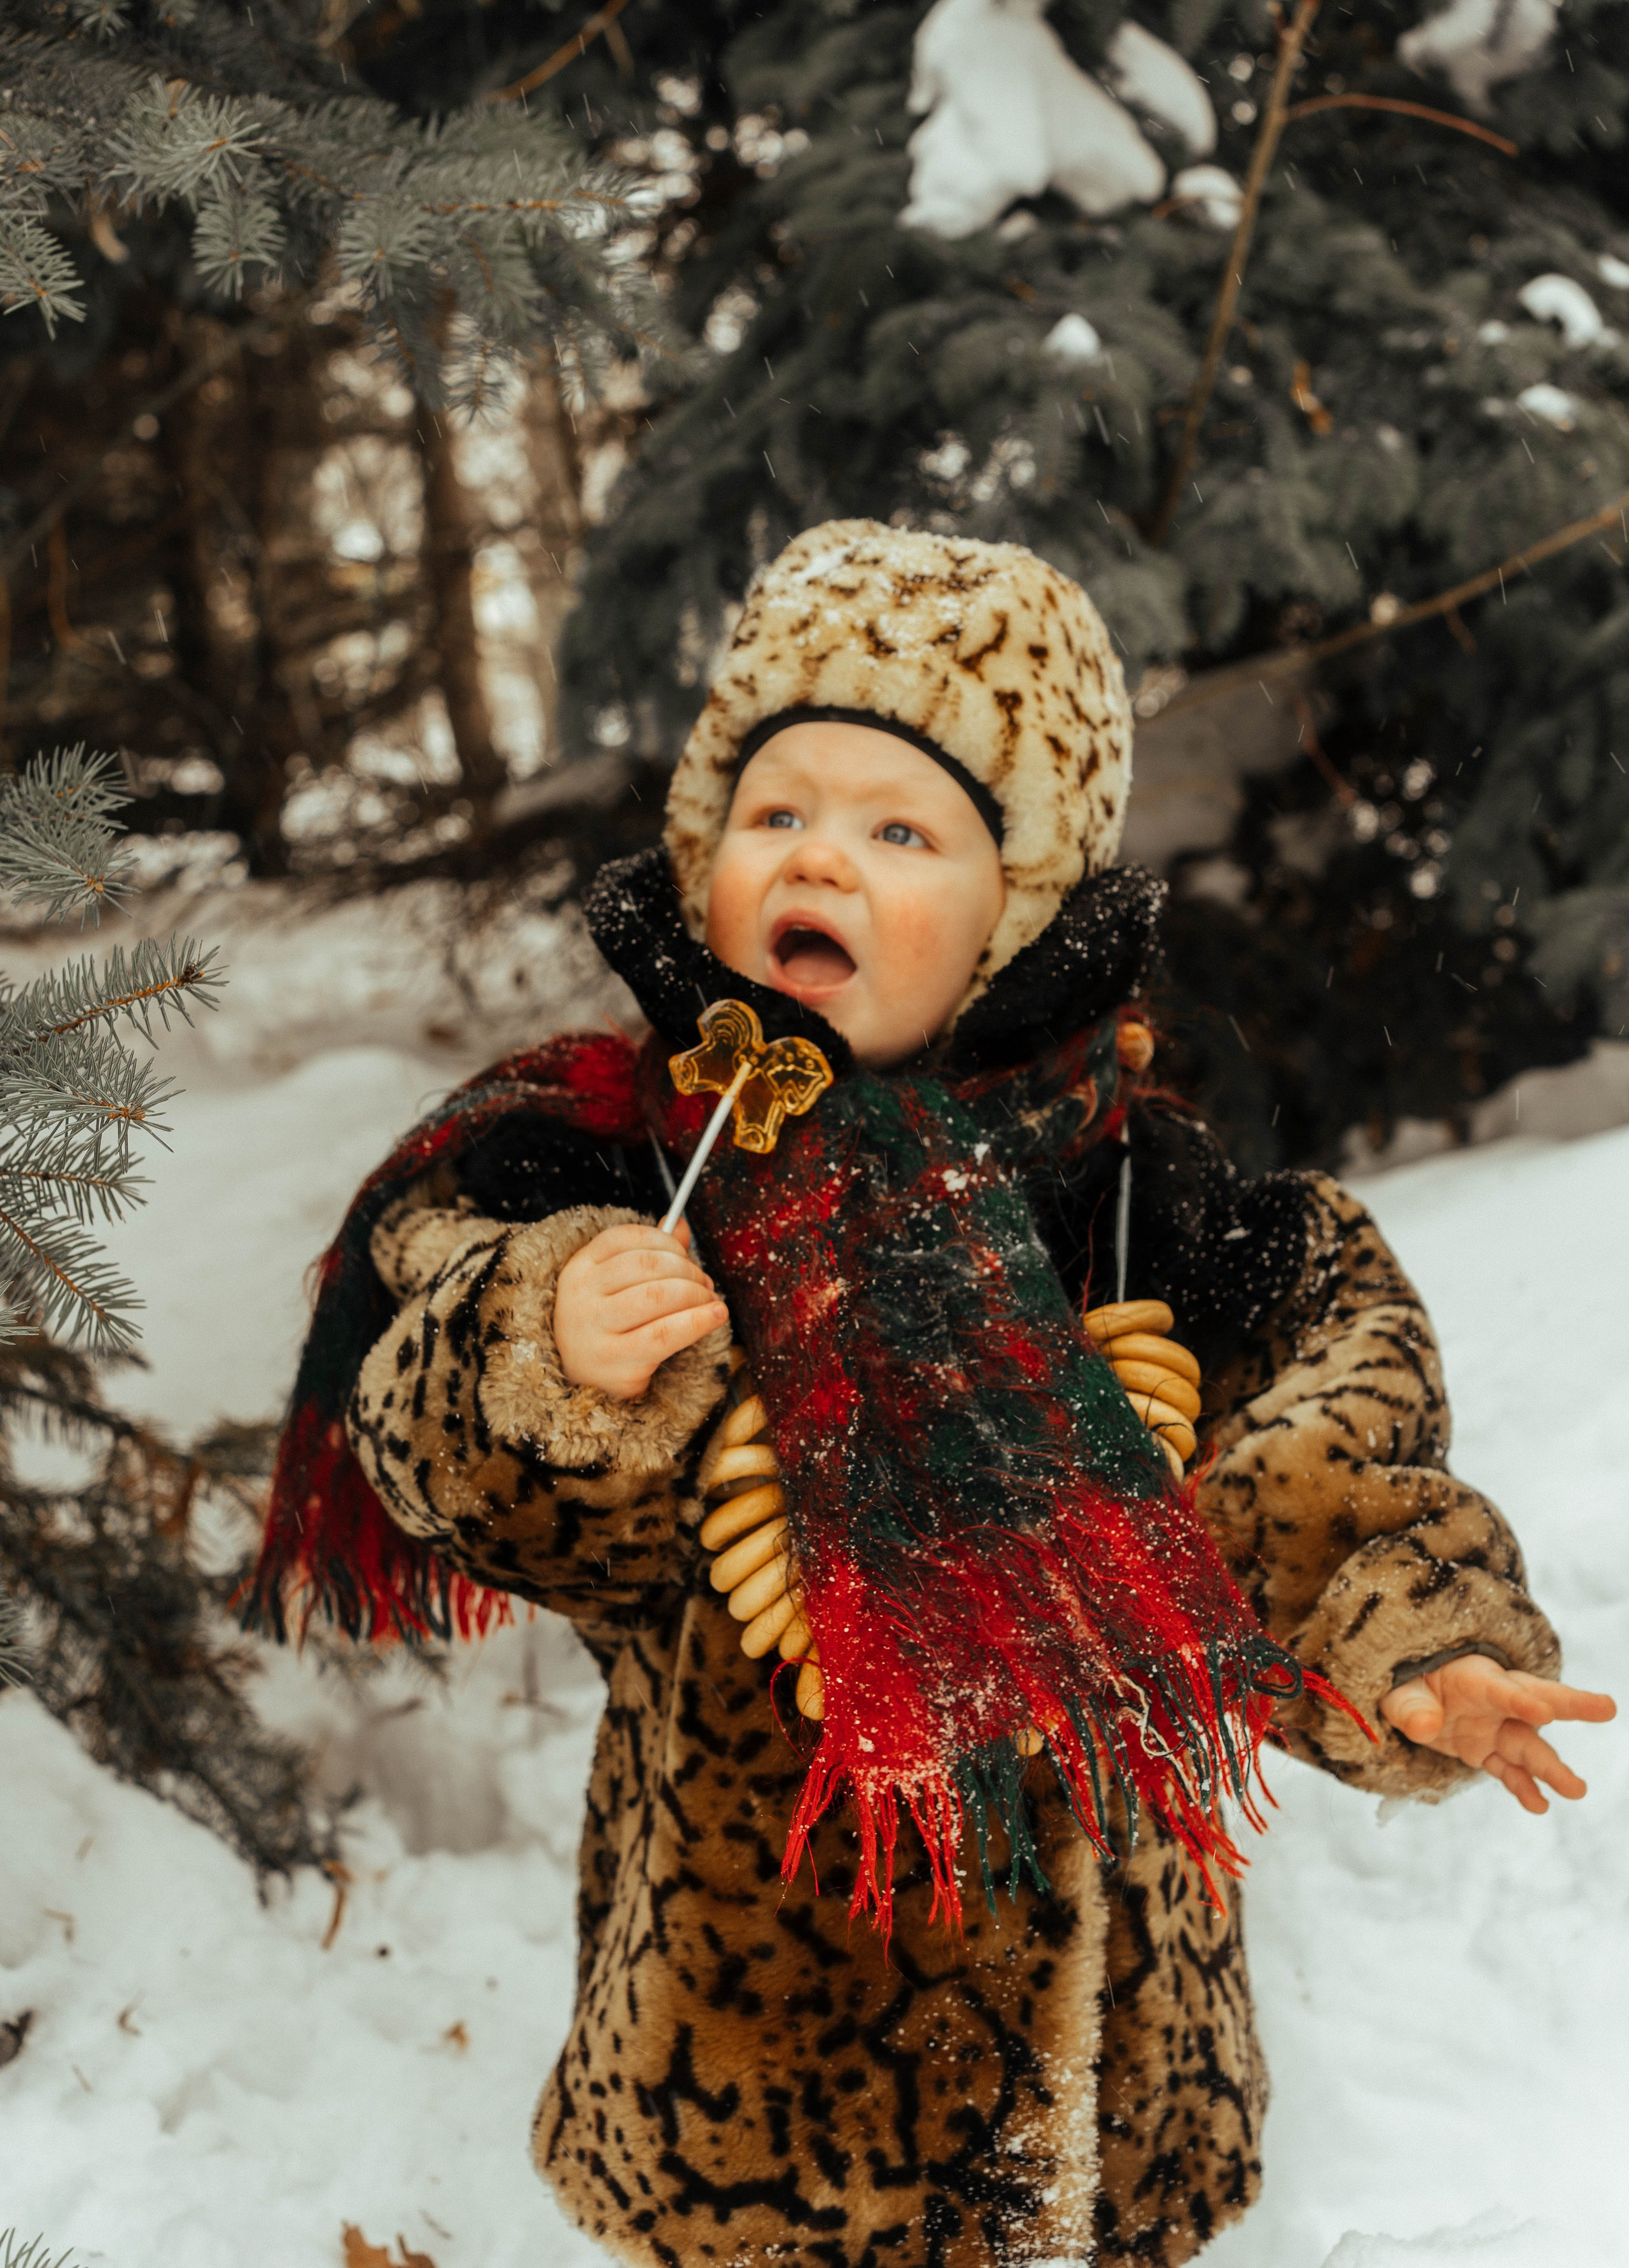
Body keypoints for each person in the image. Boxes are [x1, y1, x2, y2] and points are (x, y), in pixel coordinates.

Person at [252, 521, 1613, 2268]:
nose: (819, 854)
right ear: (707, 857)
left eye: (902, 831)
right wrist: (548, 1346)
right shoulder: (615, 1183)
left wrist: (1405, 1644)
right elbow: (481, 1487)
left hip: (1119, 2096)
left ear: (1016, 907)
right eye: (777, 811)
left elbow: (1311, 1455)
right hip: (744, 2101)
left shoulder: (1141, 1202)